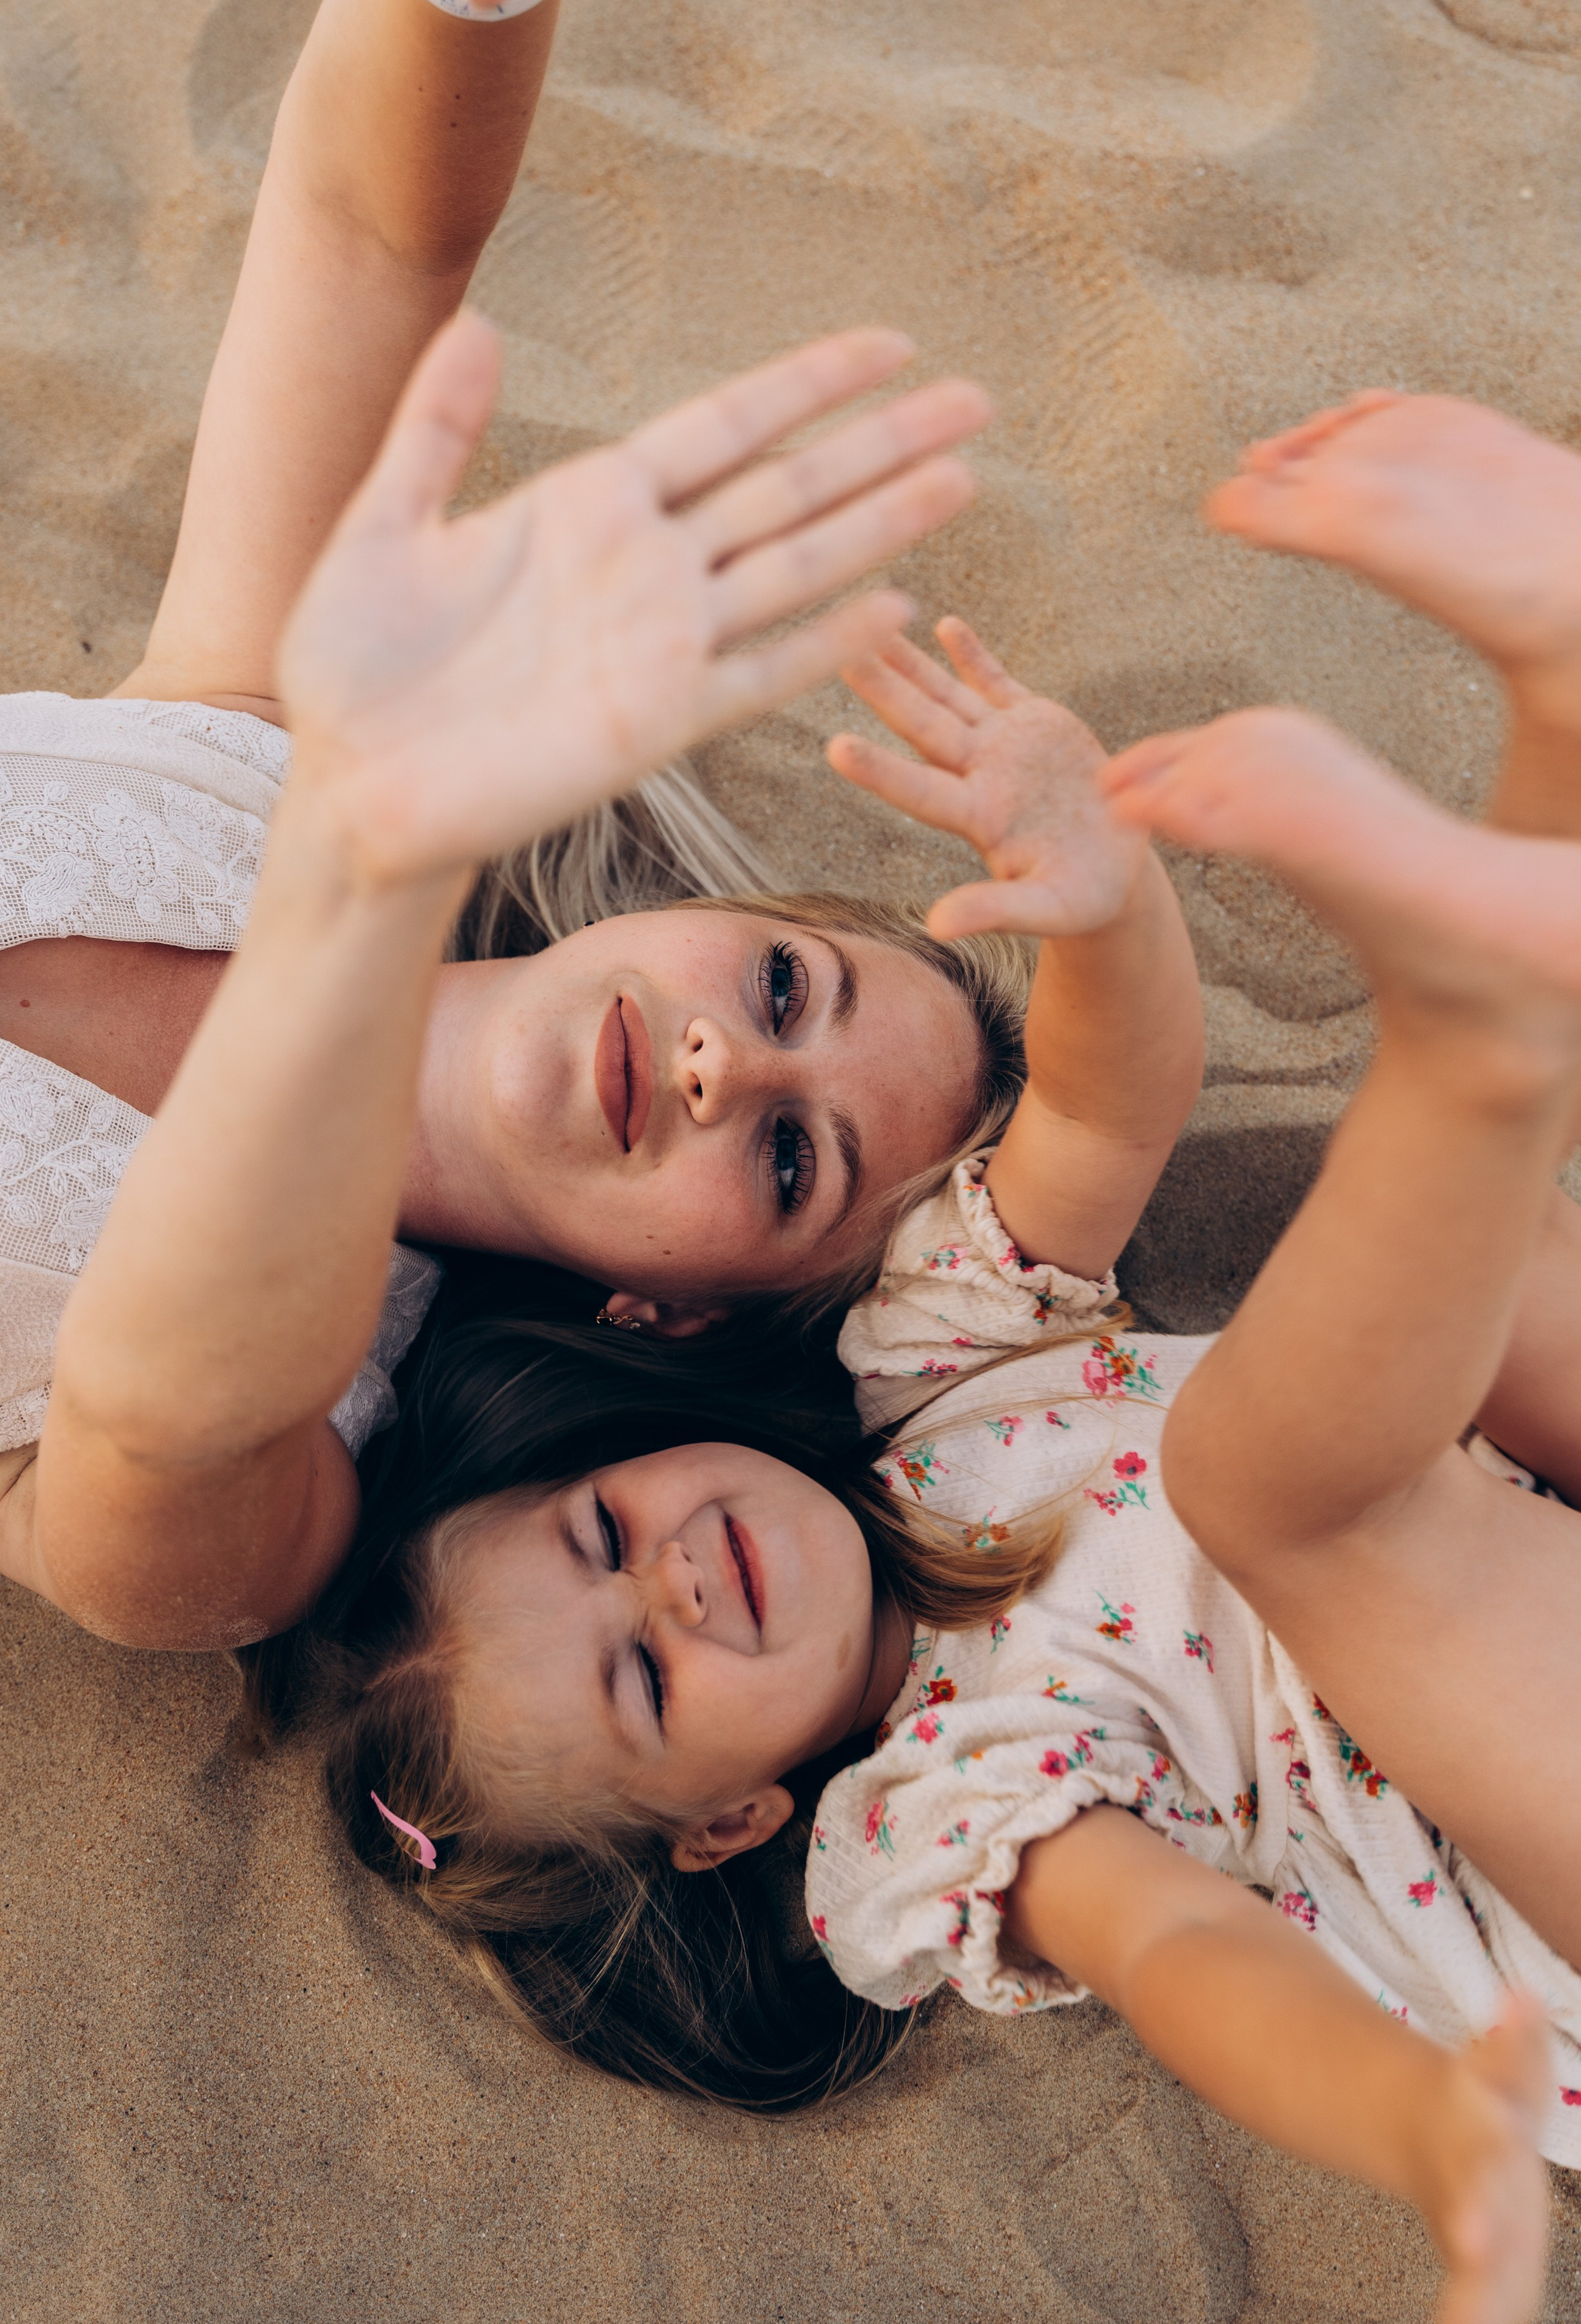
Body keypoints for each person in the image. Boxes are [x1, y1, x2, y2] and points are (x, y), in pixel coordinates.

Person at [251, 399, 1581, 2321]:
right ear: (726, 1822)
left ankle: (1546, 737)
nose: (681, 1578)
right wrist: (1410, 2124)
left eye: (609, 1531)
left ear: (629, 1432)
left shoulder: (933, 1374)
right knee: (1277, 1484)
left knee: (1511, 1288)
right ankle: (1503, 938)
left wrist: (1095, 885)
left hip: (1518, 1563)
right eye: (646, 1672)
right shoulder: (939, 1813)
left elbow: (1108, 1119)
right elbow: (1191, 1961)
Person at [0, 0, 1072, 1569]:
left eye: (785, 1163)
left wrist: (376, 858)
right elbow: (368, 235)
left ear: (667, 1318)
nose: (721, 1074)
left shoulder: (291, 1478)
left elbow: (149, 1410)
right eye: (773, 991)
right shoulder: (257, 757)